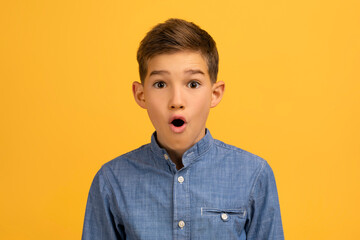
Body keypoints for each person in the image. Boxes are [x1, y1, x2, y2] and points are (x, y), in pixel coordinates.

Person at [82, 18, 284, 240]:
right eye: (160, 84)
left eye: (193, 84)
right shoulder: (111, 181)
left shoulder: (254, 175)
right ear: (141, 95)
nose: (176, 101)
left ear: (215, 94)